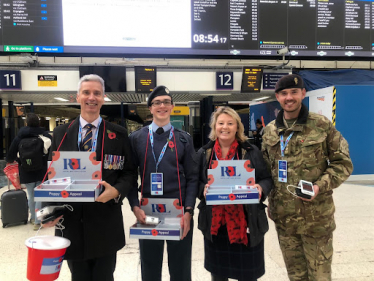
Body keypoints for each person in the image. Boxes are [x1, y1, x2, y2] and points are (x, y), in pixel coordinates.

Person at [43, 74, 137, 281]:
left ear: (104, 98)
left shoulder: (118, 134)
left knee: (104, 276)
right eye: (86, 92)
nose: (91, 97)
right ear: (77, 97)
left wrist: (117, 190)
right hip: (71, 222)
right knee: (78, 276)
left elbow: (130, 172)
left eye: (97, 93)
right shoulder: (60, 133)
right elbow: (51, 174)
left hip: (105, 222)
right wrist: (49, 209)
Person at [261, 74, 353, 281]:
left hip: (316, 217)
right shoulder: (270, 132)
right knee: (296, 275)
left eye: (294, 92)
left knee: (319, 275)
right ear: (277, 97)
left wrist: (320, 186)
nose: (289, 97)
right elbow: (267, 172)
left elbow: (343, 163)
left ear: (303, 93)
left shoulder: (321, 125)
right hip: (284, 218)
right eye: (284, 93)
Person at [128, 85, 198, 281]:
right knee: (149, 267)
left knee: (181, 267)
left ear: (172, 107)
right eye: (157, 102)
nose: (162, 106)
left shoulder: (184, 139)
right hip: (148, 212)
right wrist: (134, 206)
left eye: (166, 102)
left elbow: (193, 177)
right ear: (150, 108)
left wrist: (189, 211)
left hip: (179, 212)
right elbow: (129, 176)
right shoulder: (136, 139)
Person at [197, 106, 273, 281]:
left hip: (246, 222)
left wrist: (261, 189)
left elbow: (266, 178)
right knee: (219, 276)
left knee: (248, 275)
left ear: (237, 127)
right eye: (221, 123)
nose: (225, 127)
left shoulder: (251, 151)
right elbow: (196, 182)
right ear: (214, 127)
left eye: (230, 123)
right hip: (216, 225)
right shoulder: (204, 153)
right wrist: (203, 190)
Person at [6, 113, 52, 230]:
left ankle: (33, 218)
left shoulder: (19, 137)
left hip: (25, 171)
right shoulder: (45, 135)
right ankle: (38, 220)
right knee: (40, 196)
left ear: (26, 123)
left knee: (31, 196)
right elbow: (53, 152)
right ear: (39, 123)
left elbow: (10, 155)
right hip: (42, 170)